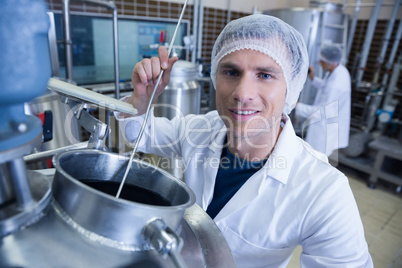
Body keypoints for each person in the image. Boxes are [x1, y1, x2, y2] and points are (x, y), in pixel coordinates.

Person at [116, 14, 372, 267]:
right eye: (231, 72)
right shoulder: (201, 129)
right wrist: (142, 98)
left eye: (265, 75)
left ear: (291, 88)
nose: (242, 94)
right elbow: (139, 136)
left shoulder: (324, 191)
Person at [295, 45, 351, 156]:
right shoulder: (339, 71)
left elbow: (321, 112)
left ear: (332, 62)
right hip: (329, 124)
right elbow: (326, 87)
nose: (319, 63)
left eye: (322, 61)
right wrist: (313, 79)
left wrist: (296, 106)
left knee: (316, 158)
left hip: (325, 129)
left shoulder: (336, 84)